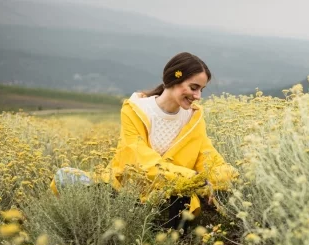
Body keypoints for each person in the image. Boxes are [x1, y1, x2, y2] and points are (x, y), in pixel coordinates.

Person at [51, 52, 238, 230]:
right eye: (193, 87)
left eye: (201, 90)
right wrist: (197, 180)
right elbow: (139, 161)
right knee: (65, 178)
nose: (198, 96)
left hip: (172, 196)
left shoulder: (194, 118)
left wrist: (222, 179)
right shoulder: (135, 110)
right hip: (126, 191)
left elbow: (208, 157)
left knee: (181, 201)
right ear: (174, 79)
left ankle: (146, 227)